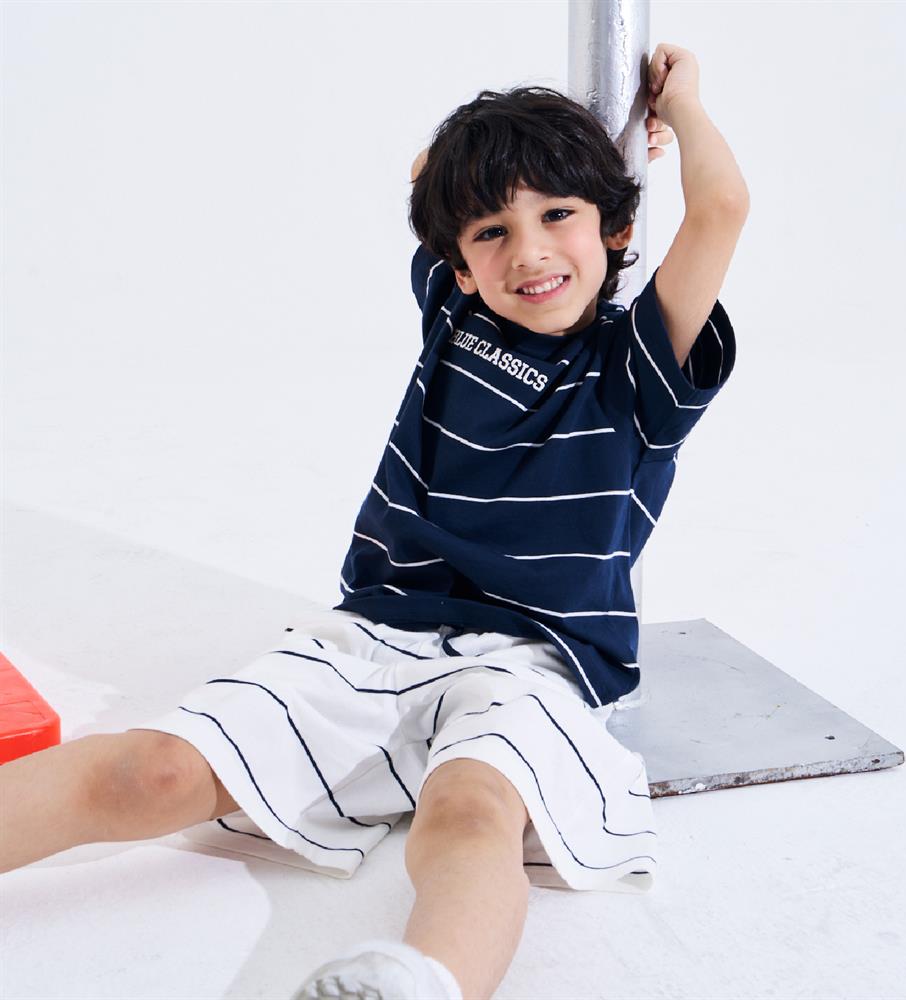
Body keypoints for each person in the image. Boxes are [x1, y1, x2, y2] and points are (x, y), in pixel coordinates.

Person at [0, 43, 749, 1000]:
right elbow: (434, 177)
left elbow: (722, 208)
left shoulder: (640, 365)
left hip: (535, 660)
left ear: (618, 227)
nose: (528, 251)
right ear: (458, 264)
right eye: (493, 231)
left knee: (471, 814)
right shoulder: (456, 311)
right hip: (374, 638)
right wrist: (553, 158)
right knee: (150, 773)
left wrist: (678, 110)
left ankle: (415, 982)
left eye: (559, 215)